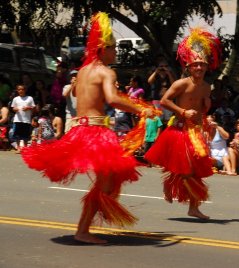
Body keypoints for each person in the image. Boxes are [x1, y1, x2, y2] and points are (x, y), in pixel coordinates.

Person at [21, 12, 152, 244]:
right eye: (113, 48)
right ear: (103, 49)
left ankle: (94, 218)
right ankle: (84, 229)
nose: (116, 52)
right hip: (96, 133)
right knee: (106, 183)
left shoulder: (82, 72)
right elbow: (112, 99)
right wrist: (141, 109)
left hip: (80, 129)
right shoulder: (106, 71)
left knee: (111, 180)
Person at [145, 28, 222, 220]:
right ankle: (170, 184)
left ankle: (193, 208)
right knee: (186, 168)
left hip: (196, 131)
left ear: (207, 66)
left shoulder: (206, 86)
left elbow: (202, 109)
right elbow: (164, 101)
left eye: (202, 65)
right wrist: (183, 111)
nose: (199, 68)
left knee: (196, 171)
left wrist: (207, 107)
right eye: (195, 65)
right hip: (180, 130)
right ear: (188, 66)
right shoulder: (181, 83)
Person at [11, 84, 36, 152]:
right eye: (19, 89)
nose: (21, 91)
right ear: (17, 90)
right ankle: (18, 147)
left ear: (25, 90)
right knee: (17, 134)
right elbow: (13, 107)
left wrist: (28, 108)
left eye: (22, 89)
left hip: (26, 119)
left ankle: (25, 148)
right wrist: (15, 109)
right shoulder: (15, 99)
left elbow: (34, 108)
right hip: (17, 119)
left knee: (25, 134)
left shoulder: (30, 98)